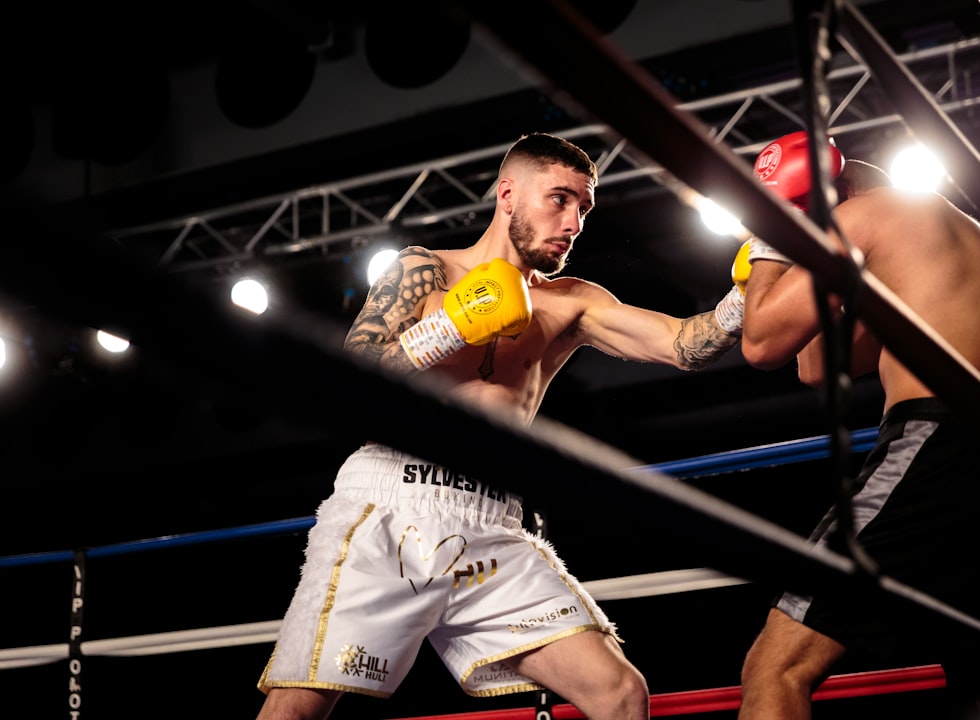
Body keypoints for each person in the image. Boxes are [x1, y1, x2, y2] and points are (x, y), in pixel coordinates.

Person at [255, 131, 748, 720]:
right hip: (390, 506)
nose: (574, 222)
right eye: (559, 200)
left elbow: (686, 345)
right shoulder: (425, 270)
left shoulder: (573, 301)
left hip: (493, 524)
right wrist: (449, 327)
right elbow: (344, 381)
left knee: (619, 693)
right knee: (297, 709)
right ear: (508, 193)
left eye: (584, 208)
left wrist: (751, 281)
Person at [736, 131, 980, 719]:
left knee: (776, 667)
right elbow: (819, 365)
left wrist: (771, 242)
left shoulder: (862, 216)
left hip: (947, 443)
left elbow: (762, 342)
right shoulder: (973, 241)